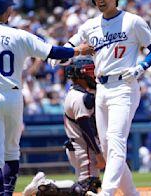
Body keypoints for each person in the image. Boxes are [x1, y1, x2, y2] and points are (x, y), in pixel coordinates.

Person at [0, 0, 93, 196]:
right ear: (8, 10)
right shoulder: (19, 35)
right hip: (13, 97)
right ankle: (7, 193)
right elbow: (53, 52)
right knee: (11, 152)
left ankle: (0, 195)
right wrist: (78, 50)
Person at [62, 0, 151, 196]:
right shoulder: (90, 25)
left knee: (116, 143)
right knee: (107, 148)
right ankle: (131, 194)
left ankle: (106, 193)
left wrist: (141, 66)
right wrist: (58, 54)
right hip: (102, 88)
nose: (100, 0)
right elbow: (70, 45)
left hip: (125, 86)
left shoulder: (133, 21)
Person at [23, 57, 105, 196]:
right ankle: (46, 185)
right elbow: (86, 130)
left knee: (88, 186)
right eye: (90, 71)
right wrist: (98, 153)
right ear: (80, 74)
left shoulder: (74, 92)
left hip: (77, 146)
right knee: (88, 189)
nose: (94, 75)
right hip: (84, 147)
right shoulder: (80, 97)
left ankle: (45, 185)